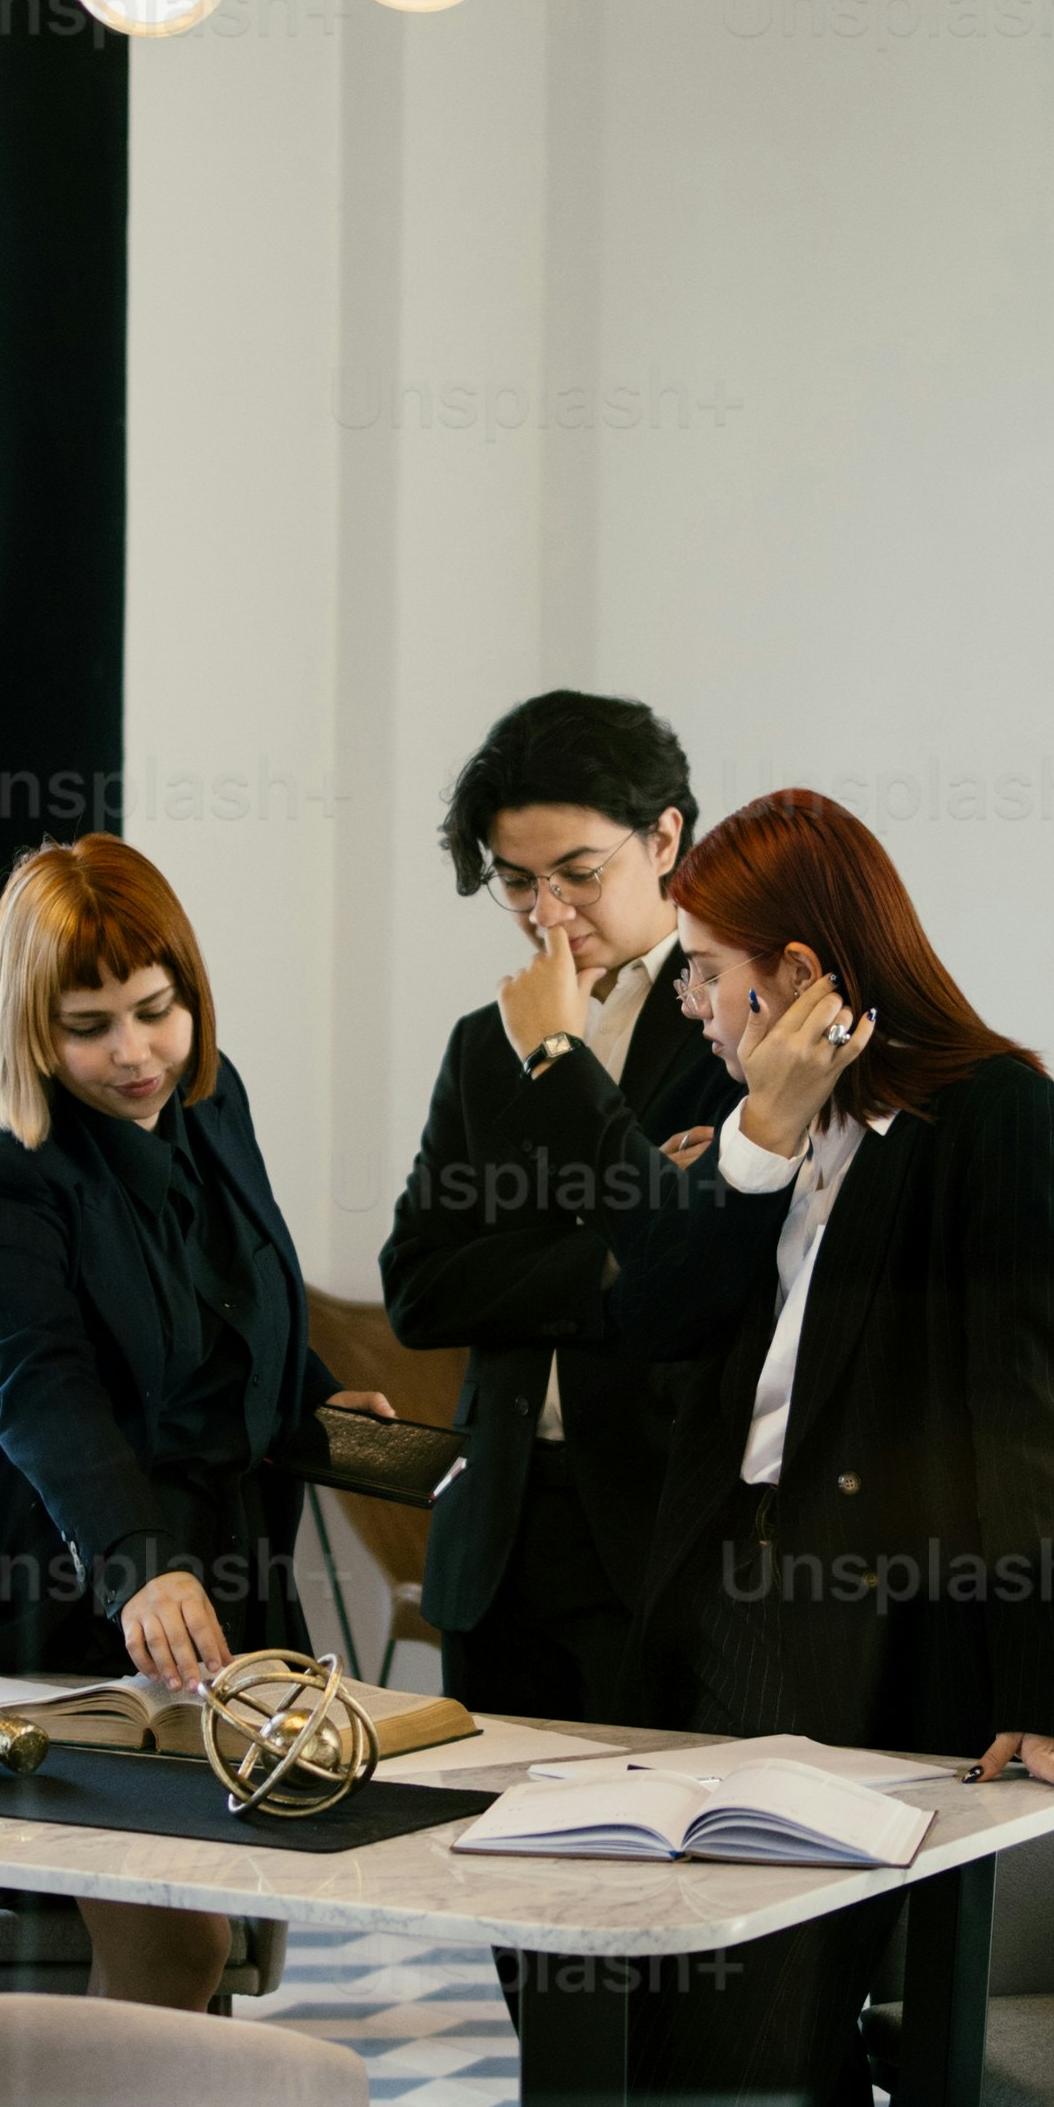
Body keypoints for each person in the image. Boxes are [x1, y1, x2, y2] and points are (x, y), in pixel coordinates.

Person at [599, 785, 1054, 2107]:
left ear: (804, 968)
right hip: (706, 1615)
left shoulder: (1002, 1126)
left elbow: (1038, 1432)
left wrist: (1042, 1706)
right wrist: (753, 1140)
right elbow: (645, 1331)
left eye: (707, 965)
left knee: (750, 2030)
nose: (685, 997)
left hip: (859, 1628)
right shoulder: (735, 1101)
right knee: (693, 2032)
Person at [0, 833, 367, 2013]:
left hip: (213, 1572)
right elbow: (42, 1391)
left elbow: (236, 1292)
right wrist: (137, 1568)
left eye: (155, 1009)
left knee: (216, 1912)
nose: (134, 1052)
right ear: (30, 1029)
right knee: (176, 1946)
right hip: (47, 1596)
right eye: (89, 1026)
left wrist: (315, 1394)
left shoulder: (211, 1096)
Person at [377, 690, 730, 1723]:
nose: (548, 912)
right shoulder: (481, 1042)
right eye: (516, 881)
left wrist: (560, 1061)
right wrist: (610, 1254)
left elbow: (706, 1270)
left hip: (662, 1524)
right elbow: (418, 1289)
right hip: (499, 1529)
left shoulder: (736, 1021)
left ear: (664, 836)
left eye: (578, 872)